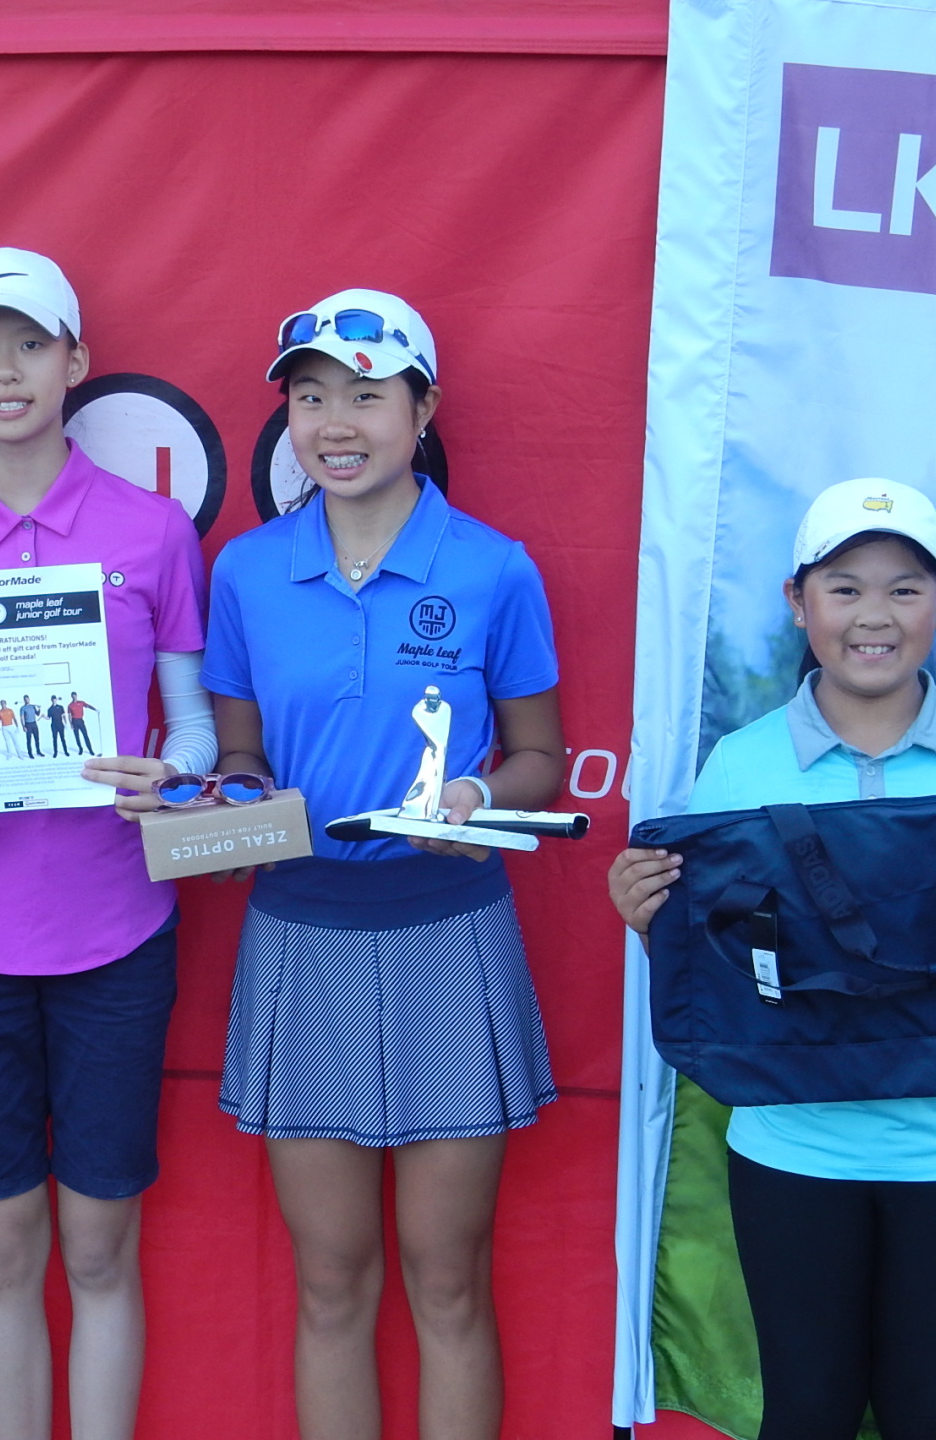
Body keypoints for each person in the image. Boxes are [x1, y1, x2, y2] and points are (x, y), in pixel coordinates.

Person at [607, 479, 936, 1440]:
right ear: (798, 601)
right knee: (806, 1412)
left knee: (931, 1415)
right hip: (790, 1149)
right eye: (845, 588)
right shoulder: (741, 765)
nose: (874, 616)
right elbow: (718, 959)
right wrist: (649, 917)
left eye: (904, 589)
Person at [202, 289, 563, 1440]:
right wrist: (235, 807)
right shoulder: (246, 572)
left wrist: (476, 797)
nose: (336, 424)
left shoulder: (494, 568)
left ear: (423, 408)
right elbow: (241, 757)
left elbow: (541, 756)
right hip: (300, 933)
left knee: (447, 1278)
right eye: (311, 399)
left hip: (450, 931)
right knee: (331, 1280)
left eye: (365, 395)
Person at [0, 248, 217, 1440]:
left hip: (117, 935)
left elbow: (193, 730)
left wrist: (171, 778)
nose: (6, 369)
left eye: (31, 343)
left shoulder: (153, 531)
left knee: (100, 1244)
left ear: (76, 361)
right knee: (5, 1246)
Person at [19, 694, 43, 758]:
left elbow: (37, 714)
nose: (27, 700)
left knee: (37, 739)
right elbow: (21, 718)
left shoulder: (33, 706)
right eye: (25, 699)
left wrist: (39, 709)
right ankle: (30, 753)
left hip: (34, 724)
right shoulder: (23, 708)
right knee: (29, 740)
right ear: (24, 700)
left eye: (27, 699)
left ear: (29, 699)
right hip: (28, 724)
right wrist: (23, 726)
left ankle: (38, 751)